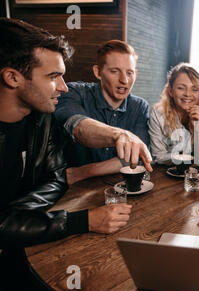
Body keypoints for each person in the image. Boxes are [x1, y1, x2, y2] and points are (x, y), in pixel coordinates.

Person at [0, 18, 134, 291]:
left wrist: (13, 220)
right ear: (12, 77)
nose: (63, 87)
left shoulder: (42, 119)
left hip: (25, 241)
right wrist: (83, 221)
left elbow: (57, 178)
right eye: (52, 77)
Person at [54, 40, 152, 184]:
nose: (124, 80)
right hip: (74, 190)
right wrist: (120, 135)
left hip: (116, 186)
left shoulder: (140, 106)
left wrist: (84, 172)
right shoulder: (73, 92)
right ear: (98, 72)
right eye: (115, 71)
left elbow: (136, 157)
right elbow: (77, 127)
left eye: (129, 72)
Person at [148, 63, 199, 166]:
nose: (187, 94)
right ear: (170, 91)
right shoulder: (158, 113)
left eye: (194, 89)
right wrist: (190, 158)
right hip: (169, 174)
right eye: (181, 88)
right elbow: (158, 157)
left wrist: (198, 128)